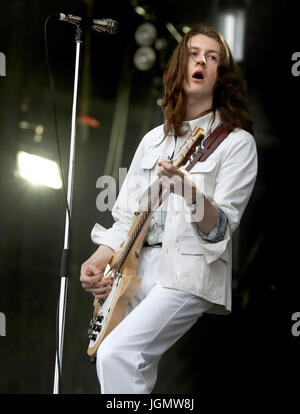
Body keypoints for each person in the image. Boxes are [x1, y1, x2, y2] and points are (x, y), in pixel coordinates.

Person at [80, 23, 258, 394]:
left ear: (220, 76)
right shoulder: (153, 140)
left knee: (118, 355)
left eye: (212, 58)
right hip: (135, 270)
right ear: (180, 67)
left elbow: (222, 229)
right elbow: (127, 216)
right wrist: (101, 258)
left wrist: (189, 192)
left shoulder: (237, 143)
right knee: (123, 366)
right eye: (194, 54)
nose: (202, 62)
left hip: (187, 271)